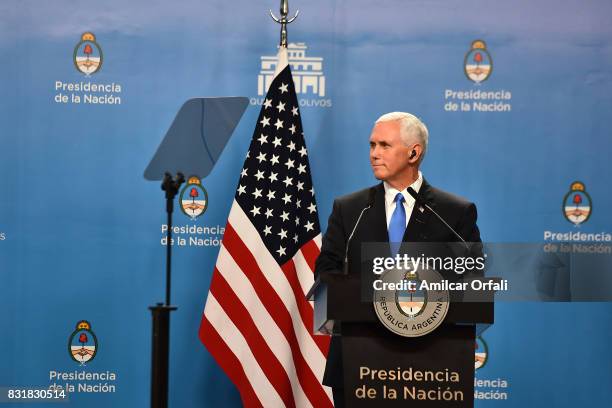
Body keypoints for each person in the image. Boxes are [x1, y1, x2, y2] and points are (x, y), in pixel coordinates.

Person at [314, 112, 482, 407]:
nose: (374, 154)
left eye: (384, 145)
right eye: (371, 145)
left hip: (430, 369)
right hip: (359, 363)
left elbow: (472, 281)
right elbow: (326, 274)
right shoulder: (350, 209)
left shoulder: (455, 212)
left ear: (413, 153)